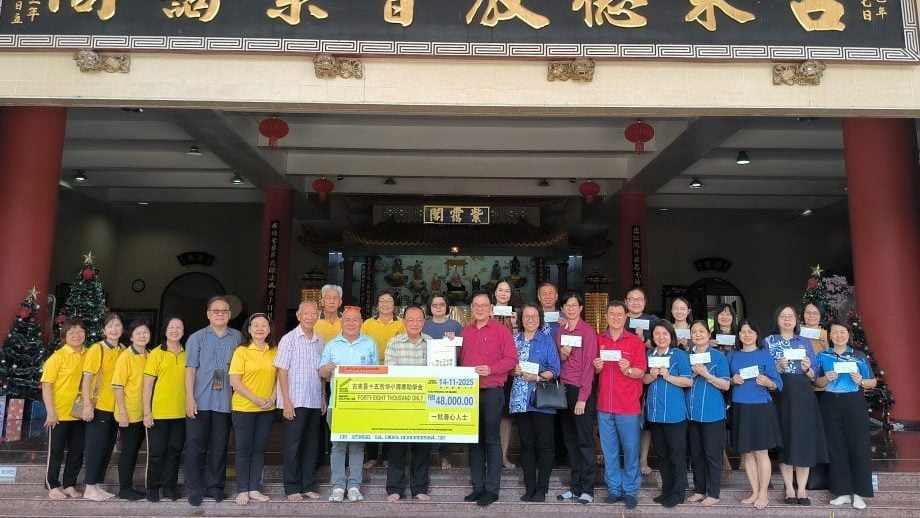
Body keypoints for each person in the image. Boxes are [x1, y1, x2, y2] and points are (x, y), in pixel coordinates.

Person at [459, 292, 518, 507]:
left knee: (492, 440)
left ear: (491, 308)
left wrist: (491, 369)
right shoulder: (465, 331)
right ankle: (478, 487)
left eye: (484, 305)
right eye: (476, 305)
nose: (480, 308)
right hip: (469, 392)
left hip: (492, 391)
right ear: (472, 308)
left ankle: (492, 490)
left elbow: (511, 359)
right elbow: (457, 359)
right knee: (473, 440)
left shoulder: (501, 331)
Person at [766, 305, 827, 506]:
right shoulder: (769, 341)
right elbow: (763, 370)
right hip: (780, 395)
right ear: (777, 319)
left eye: (790, 316)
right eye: (783, 316)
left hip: (803, 395)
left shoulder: (804, 341)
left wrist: (807, 369)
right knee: (785, 440)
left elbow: (815, 374)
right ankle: (789, 488)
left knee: (803, 440)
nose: (787, 319)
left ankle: (801, 489)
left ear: (796, 320)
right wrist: (776, 367)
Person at [184, 295, 243, 506]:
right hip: (200, 401)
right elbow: (190, 370)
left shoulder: (237, 337)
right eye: (216, 311)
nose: (220, 314)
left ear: (229, 314)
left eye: (224, 311)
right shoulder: (196, 338)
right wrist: (189, 398)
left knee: (219, 447)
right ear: (208, 314)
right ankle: (195, 489)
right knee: (196, 447)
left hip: (225, 402)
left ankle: (215, 487)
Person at [319, 306, 379, 502]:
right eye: (347, 320)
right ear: (341, 322)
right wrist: (327, 368)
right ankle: (337, 486)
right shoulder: (331, 345)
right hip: (337, 404)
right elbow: (321, 372)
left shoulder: (370, 344)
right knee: (338, 446)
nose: (351, 323)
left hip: (361, 405)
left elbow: (377, 373)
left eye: (355, 320)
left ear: (361, 322)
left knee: (357, 446)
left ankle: (354, 485)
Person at [815, 322, 876, 510]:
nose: (839, 335)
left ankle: (859, 493)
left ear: (848, 335)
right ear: (830, 336)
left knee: (858, 446)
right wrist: (826, 378)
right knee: (835, 447)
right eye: (835, 332)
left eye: (842, 332)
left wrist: (861, 381)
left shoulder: (858, 355)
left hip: (854, 402)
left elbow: (873, 382)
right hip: (830, 403)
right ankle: (842, 492)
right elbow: (816, 382)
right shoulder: (823, 355)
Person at [593, 301, 646, 510]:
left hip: (628, 406)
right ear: (606, 317)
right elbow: (592, 371)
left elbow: (641, 371)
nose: (615, 318)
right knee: (609, 450)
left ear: (626, 318)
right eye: (612, 314)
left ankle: (630, 490)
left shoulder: (635, 342)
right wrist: (597, 368)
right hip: (604, 405)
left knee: (631, 450)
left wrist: (628, 370)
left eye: (619, 314)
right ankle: (614, 489)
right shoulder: (598, 339)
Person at [728, 319, 783, 510]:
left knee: (761, 452)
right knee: (747, 452)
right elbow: (724, 379)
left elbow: (778, 384)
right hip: (740, 406)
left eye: (750, 331)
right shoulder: (732, 355)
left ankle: (763, 493)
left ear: (757, 335)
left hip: (760, 406)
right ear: (738, 335)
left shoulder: (764, 354)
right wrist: (732, 380)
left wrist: (768, 382)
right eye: (743, 331)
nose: (747, 335)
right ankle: (754, 491)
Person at [508, 304, 560, 503]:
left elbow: (555, 369)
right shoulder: (514, 340)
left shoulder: (546, 340)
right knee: (527, 445)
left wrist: (537, 377)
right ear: (521, 319)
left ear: (540, 319)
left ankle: (542, 489)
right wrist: (513, 371)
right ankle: (529, 487)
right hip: (520, 401)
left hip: (542, 400)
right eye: (526, 316)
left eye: (534, 316)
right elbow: (507, 366)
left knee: (544, 445)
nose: (530, 320)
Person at [275, 300, 326, 501]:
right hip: (294, 402)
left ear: (318, 316)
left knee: (311, 446)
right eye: (306, 313)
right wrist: (286, 401)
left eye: (314, 313)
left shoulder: (320, 341)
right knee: (293, 446)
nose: (310, 317)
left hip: (313, 401)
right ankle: (292, 487)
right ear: (298, 316)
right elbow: (282, 371)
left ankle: (308, 485)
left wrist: (323, 397)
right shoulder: (288, 339)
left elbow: (321, 373)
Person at [384, 306, 434, 502]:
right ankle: (395, 489)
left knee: (422, 448)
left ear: (424, 322)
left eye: (419, 319)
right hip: (400, 403)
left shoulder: (432, 343)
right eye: (410, 320)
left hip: (424, 404)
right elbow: (389, 372)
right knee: (396, 448)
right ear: (404, 322)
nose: (415, 323)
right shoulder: (394, 343)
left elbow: (439, 370)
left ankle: (419, 488)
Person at [228, 313, 277, 505]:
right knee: (244, 449)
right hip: (244, 408)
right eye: (255, 325)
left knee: (259, 449)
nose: (259, 328)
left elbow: (280, 377)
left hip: (267, 409)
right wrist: (256, 399)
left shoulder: (274, 350)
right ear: (248, 329)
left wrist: (272, 397)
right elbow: (235, 381)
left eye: (264, 325)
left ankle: (254, 488)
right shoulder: (242, 351)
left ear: (269, 329)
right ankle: (242, 489)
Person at [643, 320, 692, 508]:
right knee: (662, 454)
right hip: (655, 413)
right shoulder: (649, 354)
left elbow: (688, 381)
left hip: (674, 414)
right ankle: (666, 489)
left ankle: (678, 493)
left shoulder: (679, 355)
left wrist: (667, 376)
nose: (661, 337)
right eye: (657, 334)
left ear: (671, 336)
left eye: (665, 334)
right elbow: (643, 380)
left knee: (676, 455)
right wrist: (652, 375)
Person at [556, 291, 599, 505]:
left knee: (584, 441)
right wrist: (562, 355)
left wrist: (583, 398)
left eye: (575, 305)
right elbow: (557, 362)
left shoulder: (588, 332)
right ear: (562, 308)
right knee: (571, 441)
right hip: (563, 389)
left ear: (581, 308)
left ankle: (588, 489)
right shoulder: (561, 331)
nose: (571, 308)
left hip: (580, 391)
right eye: (567, 305)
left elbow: (589, 367)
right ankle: (575, 487)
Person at [41, 319, 87, 500]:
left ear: (85, 334)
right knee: (56, 452)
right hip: (59, 414)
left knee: (76, 452)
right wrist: (50, 412)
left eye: (80, 331)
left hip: (80, 412)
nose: (76, 335)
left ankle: (69, 485)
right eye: (71, 332)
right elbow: (46, 385)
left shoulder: (89, 354)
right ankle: (52, 485)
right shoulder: (57, 357)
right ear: (64, 336)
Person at [686, 320, 730, 506]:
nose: (698, 334)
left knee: (712, 455)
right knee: (696, 455)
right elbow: (682, 380)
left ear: (708, 334)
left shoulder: (718, 357)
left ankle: (713, 493)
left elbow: (726, 385)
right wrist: (692, 374)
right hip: (691, 413)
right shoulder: (686, 356)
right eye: (694, 332)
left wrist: (707, 375)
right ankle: (699, 490)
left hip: (713, 414)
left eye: (701, 331)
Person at [142, 317, 187, 502]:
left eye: (179, 327)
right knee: (157, 452)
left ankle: (169, 487)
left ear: (183, 331)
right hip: (159, 413)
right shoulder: (156, 353)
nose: (175, 330)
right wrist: (147, 412)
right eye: (171, 327)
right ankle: (153, 487)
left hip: (181, 413)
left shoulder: (188, 353)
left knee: (175, 451)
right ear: (165, 330)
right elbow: (147, 385)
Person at [81, 313, 125, 502]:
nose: (114, 329)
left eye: (117, 325)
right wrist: (87, 405)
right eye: (110, 326)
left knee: (107, 448)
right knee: (95, 447)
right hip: (99, 406)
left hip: (116, 408)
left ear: (122, 329)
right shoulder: (97, 349)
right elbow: (86, 379)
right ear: (104, 330)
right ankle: (89, 488)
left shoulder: (124, 350)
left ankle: (96, 485)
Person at [361, 289, 405, 468]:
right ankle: (372, 456)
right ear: (377, 305)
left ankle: (387, 457)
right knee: (372, 414)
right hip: (372, 372)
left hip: (394, 372)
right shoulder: (367, 324)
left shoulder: (401, 324)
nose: (386, 304)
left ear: (394, 305)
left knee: (390, 415)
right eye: (382, 301)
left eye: (389, 301)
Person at [111, 319, 151, 501]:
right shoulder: (125, 357)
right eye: (138, 333)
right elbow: (118, 386)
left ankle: (130, 486)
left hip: (145, 412)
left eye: (145, 332)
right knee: (129, 451)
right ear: (131, 337)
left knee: (134, 450)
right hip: (129, 413)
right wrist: (123, 413)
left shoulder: (150, 354)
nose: (142, 336)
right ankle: (125, 489)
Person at [422, 293, 462, 469]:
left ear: (447, 307)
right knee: (427, 415)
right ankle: (425, 454)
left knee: (446, 417)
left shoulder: (455, 325)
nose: (438, 307)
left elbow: (462, 349)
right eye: (434, 305)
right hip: (427, 375)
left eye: (441, 304)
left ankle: (445, 455)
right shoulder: (424, 325)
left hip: (449, 376)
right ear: (429, 308)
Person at [623, 286, 658, 475]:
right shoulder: (620, 319)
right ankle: (627, 457)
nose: (635, 302)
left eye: (639, 299)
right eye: (632, 299)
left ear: (645, 302)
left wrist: (643, 341)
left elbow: (661, 343)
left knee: (645, 418)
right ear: (626, 301)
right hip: (623, 375)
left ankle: (643, 459)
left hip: (647, 374)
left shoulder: (652, 321)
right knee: (625, 417)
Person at [492, 280, 517, 469]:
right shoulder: (485, 312)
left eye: (507, 290)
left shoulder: (516, 315)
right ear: (494, 293)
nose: (503, 293)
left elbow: (520, 342)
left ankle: (503, 456)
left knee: (505, 416)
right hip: (489, 371)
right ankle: (489, 457)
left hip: (509, 372)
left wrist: (515, 325)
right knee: (488, 414)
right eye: (500, 290)